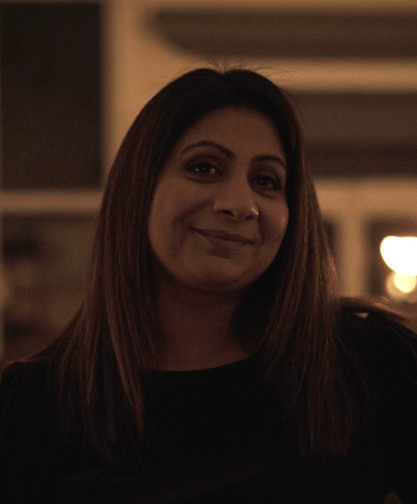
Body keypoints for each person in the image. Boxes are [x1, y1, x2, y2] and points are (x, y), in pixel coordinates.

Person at [0, 67, 416, 504]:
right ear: (138, 190)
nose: (240, 204)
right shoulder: (39, 405)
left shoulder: (366, 365)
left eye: (266, 181)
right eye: (204, 167)